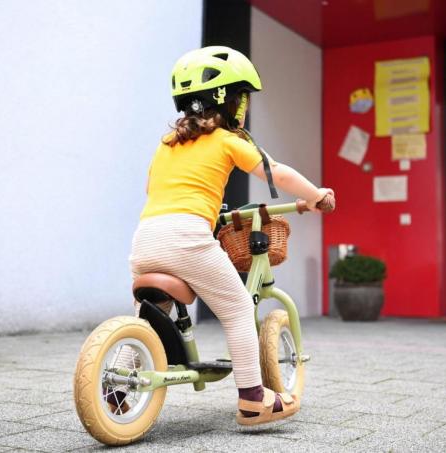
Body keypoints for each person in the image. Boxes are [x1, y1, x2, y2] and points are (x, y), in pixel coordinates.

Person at [114, 46, 335, 426]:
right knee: (235, 309)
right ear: (231, 101)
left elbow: (154, 187)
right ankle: (253, 399)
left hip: (146, 237)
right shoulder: (228, 140)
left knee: (149, 317)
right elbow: (276, 173)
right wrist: (315, 196)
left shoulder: (166, 144)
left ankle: (114, 390)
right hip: (186, 236)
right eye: (243, 97)